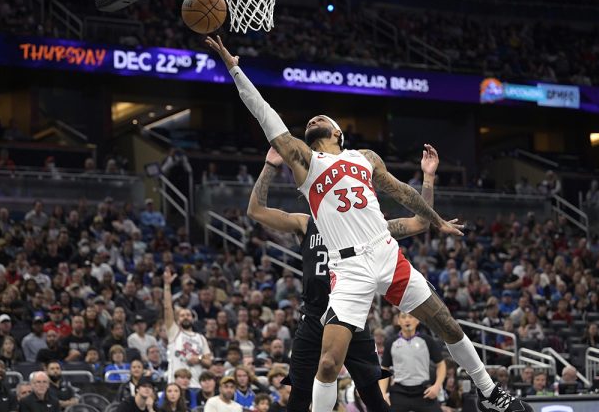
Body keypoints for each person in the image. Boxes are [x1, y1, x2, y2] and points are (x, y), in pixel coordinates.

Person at [207, 35, 529, 412]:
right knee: (328, 364)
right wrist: (234, 67)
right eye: (311, 119)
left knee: (446, 323)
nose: (314, 118)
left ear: (338, 132)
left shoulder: (365, 157)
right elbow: (264, 113)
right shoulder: (306, 163)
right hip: (349, 268)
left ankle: (490, 392)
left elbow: (403, 195)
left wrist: (436, 215)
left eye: (322, 118)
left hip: (386, 252)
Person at [247, 145, 444, 412]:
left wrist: (428, 178)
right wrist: (270, 165)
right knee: (298, 399)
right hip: (315, 316)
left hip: (350, 315)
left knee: (373, 396)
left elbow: (420, 223)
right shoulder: (305, 223)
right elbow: (256, 211)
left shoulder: (368, 228)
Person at [380, 313, 446, 412]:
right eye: (403, 317)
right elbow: (384, 368)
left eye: (411, 317)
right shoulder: (390, 343)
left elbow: (441, 364)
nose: (407, 320)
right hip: (399, 392)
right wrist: (382, 393)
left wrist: (437, 386)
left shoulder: (427, 341)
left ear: (417, 320)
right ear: (398, 321)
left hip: (423, 390)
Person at [163, 269, 213, 388]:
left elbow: (209, 362)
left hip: (196, 385)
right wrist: (167, 285)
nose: (185, 317)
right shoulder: (174, 332)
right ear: (178, 319)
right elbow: (167, 308)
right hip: (175, 386)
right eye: (182, 315)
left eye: (188, 315)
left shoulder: (200, 338)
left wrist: (199, 359)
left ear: (193, 318)